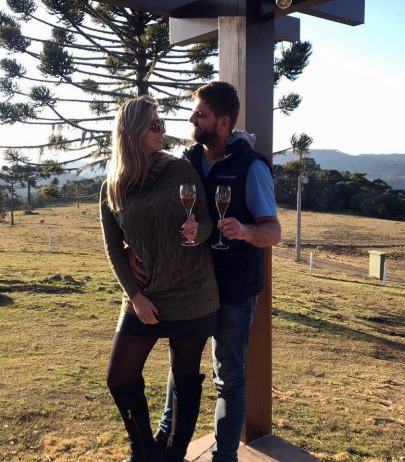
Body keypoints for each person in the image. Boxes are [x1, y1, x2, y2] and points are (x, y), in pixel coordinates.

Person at [130, 82, 281, 461]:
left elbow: (273, 231)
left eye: (201, 114)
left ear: (224, 122)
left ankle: (224, 456)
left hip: (233, 288)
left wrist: (246, 231)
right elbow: (155, 212)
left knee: (228, 376)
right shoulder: (188, 160)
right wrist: (131, 246)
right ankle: (166, 444)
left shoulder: (252, 167)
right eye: (194, 112)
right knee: (180, 366)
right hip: (192, 285)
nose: (192, 119)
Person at [100, 95, 220, 462]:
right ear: (132, 132)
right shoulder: (113, 187)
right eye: (154, 125)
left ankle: (175, 454)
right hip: (144, 298)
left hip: (192, 294)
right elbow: (113, 248)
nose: (163, 130)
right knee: (119, 377)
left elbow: (206, 221)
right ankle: (145, 451)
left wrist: (194, 231)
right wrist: (134, 295)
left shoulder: (180, 170)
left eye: (162, 122)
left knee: (185, 379)